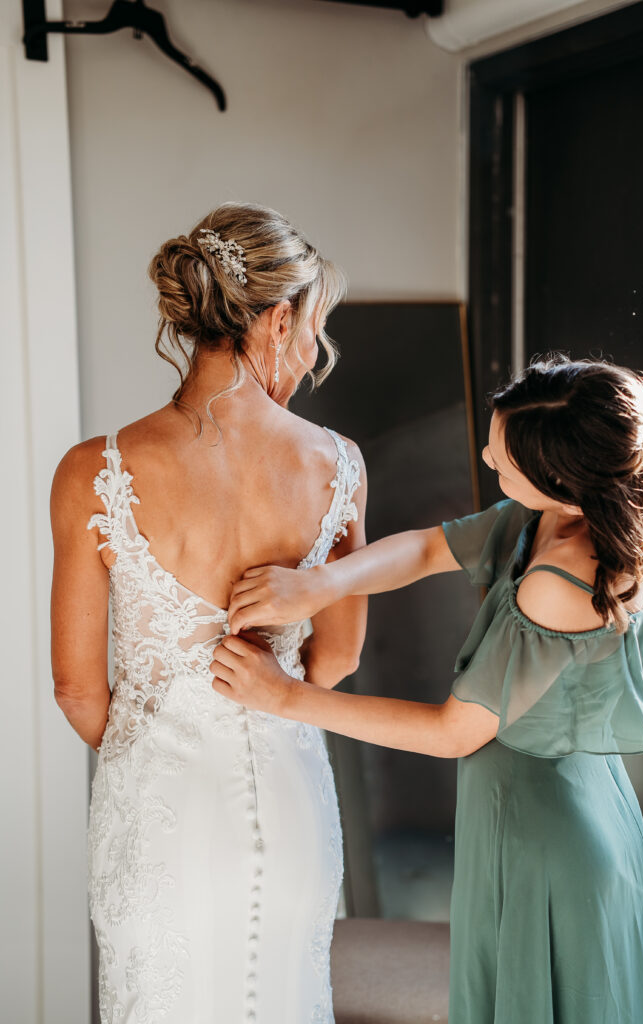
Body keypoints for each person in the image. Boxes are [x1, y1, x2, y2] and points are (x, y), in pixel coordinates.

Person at [212, 354, 643, 1024]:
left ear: (556, 475)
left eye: (501, 461)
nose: (489, 458)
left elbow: (452, 732)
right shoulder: (561, 512)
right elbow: (430, 548)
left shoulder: (560, 579)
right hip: (551, 804)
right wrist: (318, 586)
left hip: (544, 830)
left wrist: (283, 697)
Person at [49, 202, 368, 1024]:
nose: (308, 353)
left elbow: (78, 690)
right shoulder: (337, 464)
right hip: (290, 790)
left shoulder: (94, 468)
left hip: (157, 807)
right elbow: (335, 661)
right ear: (278, 316)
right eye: (309, 329)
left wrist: (156, 749)